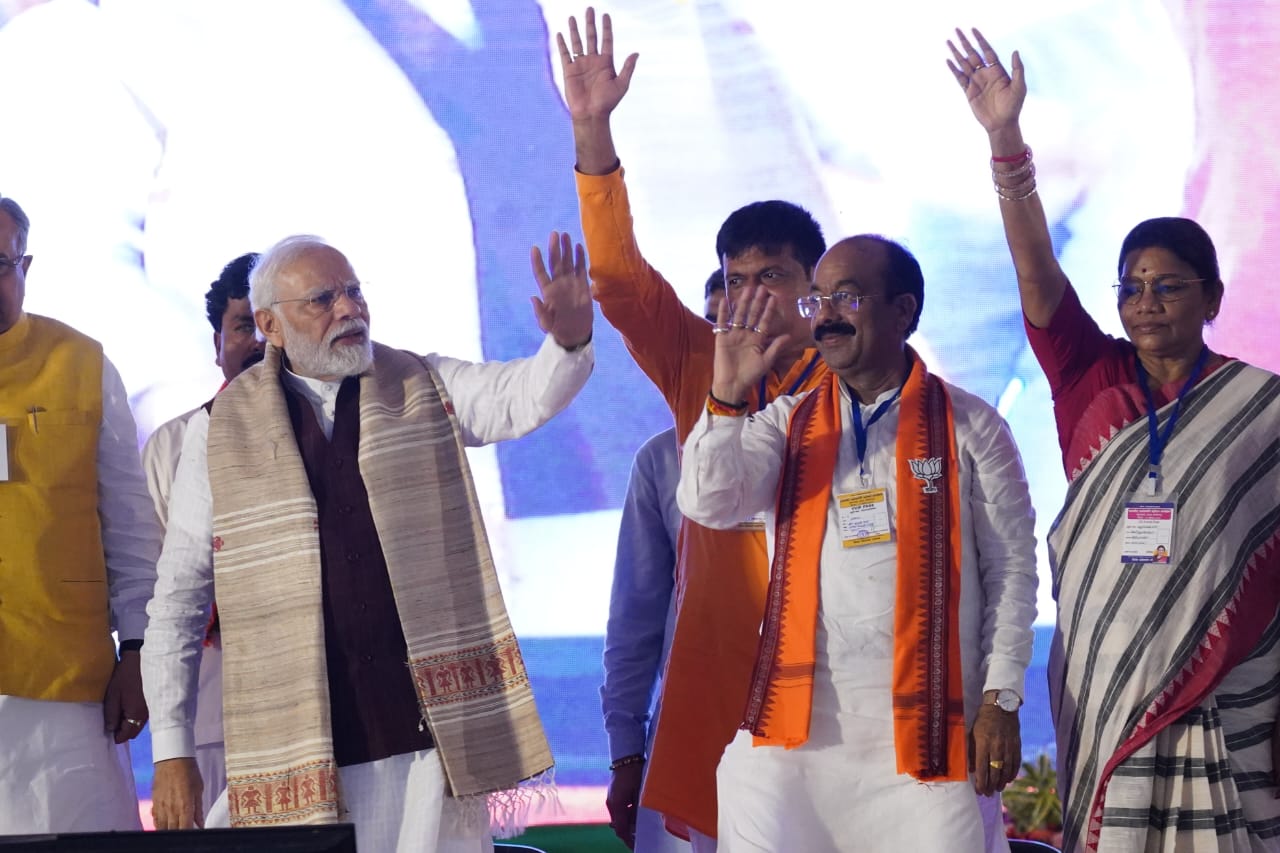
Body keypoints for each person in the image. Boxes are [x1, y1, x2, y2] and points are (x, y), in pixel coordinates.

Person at [142, 231, 594, 851]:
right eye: (322, 299)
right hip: (294, 750)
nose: (349, 309)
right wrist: (171, 751)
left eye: (354, 291)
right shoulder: (218, 430)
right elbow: (179, 599)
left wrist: (567, 343)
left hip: (427, 742)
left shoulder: (421, 384)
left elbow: (518, 399)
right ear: (271, 326)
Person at [949, 28, 1280, 852]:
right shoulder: (1089, 377)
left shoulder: (1263, 408)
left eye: (1168, 286)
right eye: (1131, 287)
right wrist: (1005, 142)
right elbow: (1036, 272)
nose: (1145, 301)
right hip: (1106, 680)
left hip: (1232, 691)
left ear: (1213, 298)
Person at [558, 10, 832, 846]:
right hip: (719, 702)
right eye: (735, 278)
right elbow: (618, 280)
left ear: (816, 291)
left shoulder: (861, 381)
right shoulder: (698, 366)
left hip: (833, 699)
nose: (749, 294)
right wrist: (593, 132)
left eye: (772, 276)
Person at [675, 235, 1039, 850]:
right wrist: (727, 396)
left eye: (846, 297)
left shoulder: (972, 426)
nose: (827, 316)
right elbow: (708, 502)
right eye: (817, 300)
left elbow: (1011, 571)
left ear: (903, 310)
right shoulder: (789, 422)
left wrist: (1000, 697)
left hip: (927, 733)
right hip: (800, 732)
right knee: (748, 790)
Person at [0, 194, 160, 833]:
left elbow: (130, 526)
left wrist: (139, 649)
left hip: (66, 690)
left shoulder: (81, 364)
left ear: (25, 266)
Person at [600, 270, 723, 852]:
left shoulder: (833, 444)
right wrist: (627, 750)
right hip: (689, 737)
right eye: (711, 326)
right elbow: (636, 618)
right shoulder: (661, 461)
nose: (727, 343)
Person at [141, 252, 264, 820]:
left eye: (270, 326)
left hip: (332, 707)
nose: (259, 342)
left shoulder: (340, 435)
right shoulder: (172, 446)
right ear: (218, 343)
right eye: (243, 326)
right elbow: (158, 595)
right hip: (211, 718)